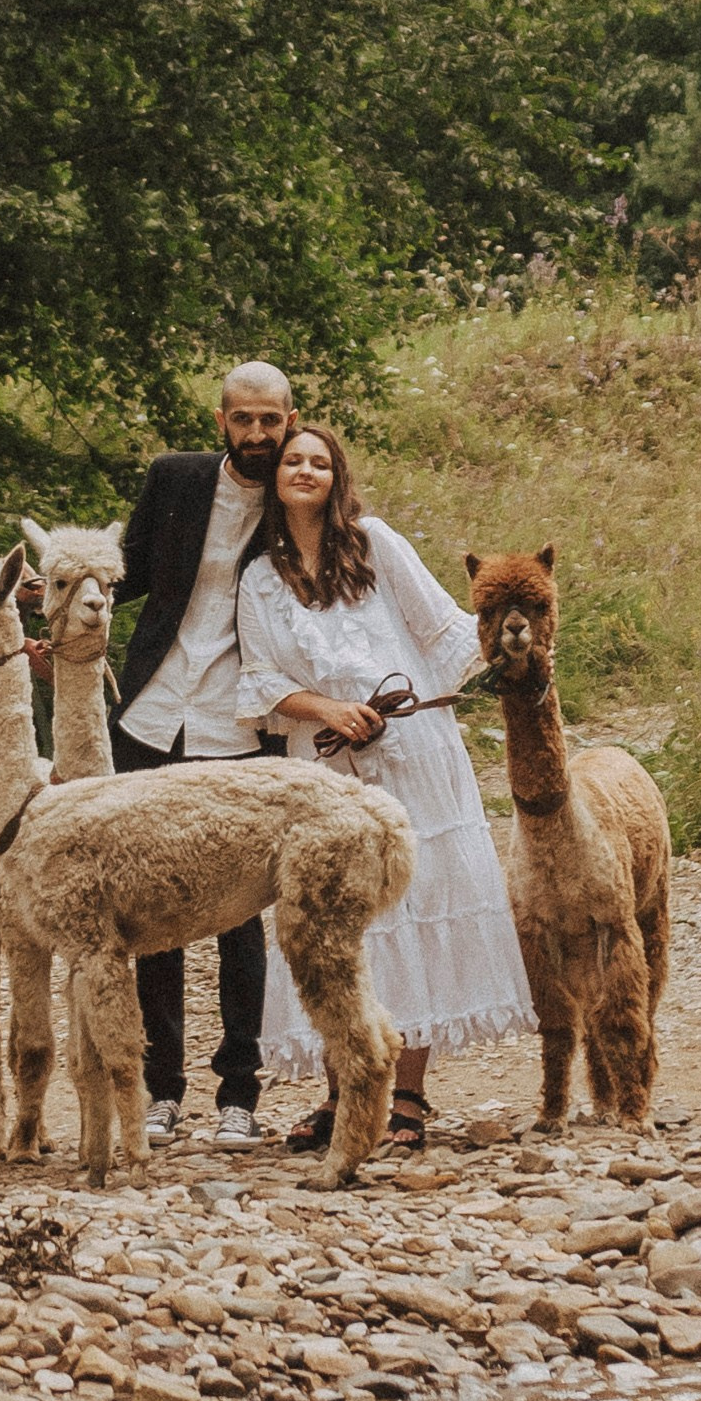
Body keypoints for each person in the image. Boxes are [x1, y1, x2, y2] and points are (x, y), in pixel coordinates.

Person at [236, 418, 535, 1155]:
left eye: (319, 462)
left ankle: (405, 1098)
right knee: (334, 923)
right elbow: (263, 679)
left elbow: (441, 628)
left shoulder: (373, 543)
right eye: (293, 462)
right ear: (275, 478)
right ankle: (341, 1094)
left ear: (335, 478)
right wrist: (328, 709)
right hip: (325, 766)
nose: (305, 471)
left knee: (416, 905)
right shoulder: (258, 578)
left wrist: (512, 633)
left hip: (411, 754)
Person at [108, 358, 296, 1146]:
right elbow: (123, 574)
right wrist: (41, 597)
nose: (257, 435)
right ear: (221, 421)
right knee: (149, 910)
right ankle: (160, 1090)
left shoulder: (301, 497)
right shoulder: (175, 481)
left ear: (290, 421)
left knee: (240, 916)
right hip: (152, 713)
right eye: (243, 420)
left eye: (270, 422)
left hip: (242, 723)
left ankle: (239, 1097)